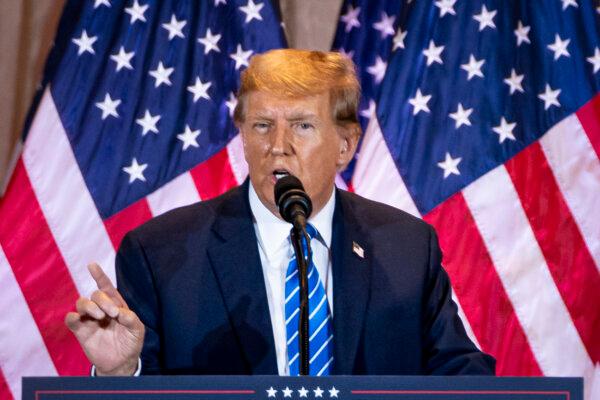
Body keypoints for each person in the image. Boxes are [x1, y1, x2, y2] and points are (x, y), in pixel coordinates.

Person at [65, 49, 495, 376]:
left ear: (345, 146)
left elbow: (458, 376)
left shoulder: (405, 246)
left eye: (303, 125)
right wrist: (120, 373)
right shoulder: (161, 252)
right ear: (245, 138)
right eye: (262, 125)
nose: (278, 145)